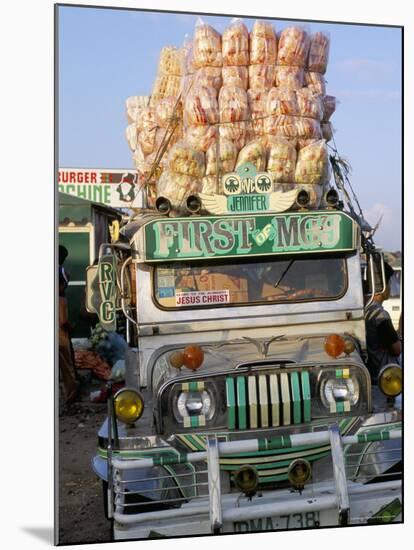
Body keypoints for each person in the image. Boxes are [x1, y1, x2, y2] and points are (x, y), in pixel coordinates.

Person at [364, 262, 402, 384]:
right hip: (385, 376)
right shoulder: (380, 314)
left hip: (373, 372)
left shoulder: (366, 308)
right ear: (383, 285)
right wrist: (400, 330)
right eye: (389, 283)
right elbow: (396, 349)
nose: (390, 287)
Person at [59, 270, 78, 405]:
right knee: (67, 370)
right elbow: (63, 322)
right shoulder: (62, 300)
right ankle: (70, 396)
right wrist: (72, 328)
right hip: (61, 340)